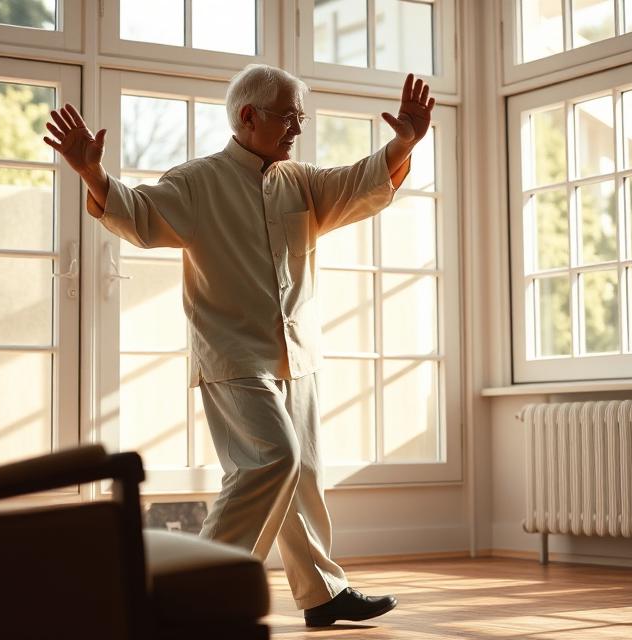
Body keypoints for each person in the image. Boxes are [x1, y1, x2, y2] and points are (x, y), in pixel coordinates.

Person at [44, 63, 434, 628]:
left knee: (303, 474)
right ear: (249, 116)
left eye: (301, 116)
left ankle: (323, 594)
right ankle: (197, 589)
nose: (298, 127)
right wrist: (93, 175)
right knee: (273, 459)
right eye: (288, 116)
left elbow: (360, 181)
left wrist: (402, 142)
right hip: (233, 356)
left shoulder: (300, 182)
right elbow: (142, 215)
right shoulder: (198, 182)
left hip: (297, 352)